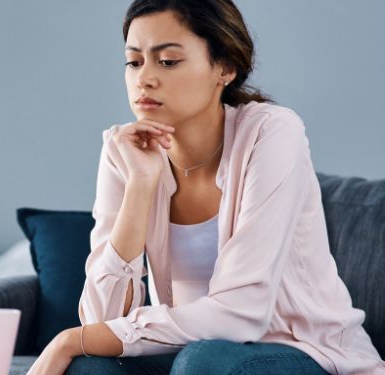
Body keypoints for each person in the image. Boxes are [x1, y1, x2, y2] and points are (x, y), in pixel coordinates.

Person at [26, 0, 385, 374]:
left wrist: (69, 340)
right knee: (90, 367)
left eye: (168, 61)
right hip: (191, 350)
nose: (144, 78)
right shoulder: (125, 151)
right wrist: (140, 184)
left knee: (204, 362)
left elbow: (240, 313)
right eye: (134, 61)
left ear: (225, 68)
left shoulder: (271, 132)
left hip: (304, 353)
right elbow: (102, 316)